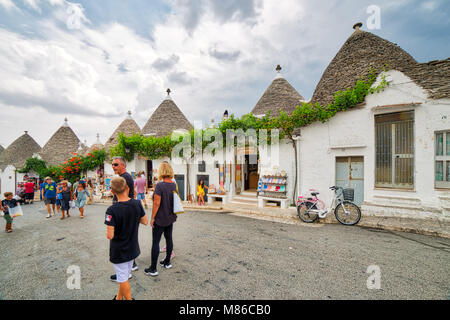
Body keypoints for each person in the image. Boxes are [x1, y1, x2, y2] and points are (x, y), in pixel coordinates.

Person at [105, 177, 148, 300]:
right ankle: (118, 298)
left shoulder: (111, 210)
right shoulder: (136, 203)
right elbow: (145, 221)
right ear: (128, 188)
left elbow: (110, 235)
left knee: (123, 279)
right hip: (132, 247)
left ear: (112, 192)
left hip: (119, 251)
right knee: (123, 275)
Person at [144, 162, 177, 277]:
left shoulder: (160, 185)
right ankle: (167, 262)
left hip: (160, 218)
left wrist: (152, 218)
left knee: (155, 242)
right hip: (170, 217)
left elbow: (156, 203)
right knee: (169, 239)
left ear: (161, 171)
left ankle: (153, 268)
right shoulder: (173, 185)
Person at [109, 156, 138, 281]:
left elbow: (127, 195)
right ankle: (129, 267)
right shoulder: (125, 177)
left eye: (116, 164)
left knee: (121, 239)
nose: (113, 166)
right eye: (112, 164)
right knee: (127, 237)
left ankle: (125, 273)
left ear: (123, 165)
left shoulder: (125, 177)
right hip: (126, 210)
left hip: (123, 211)